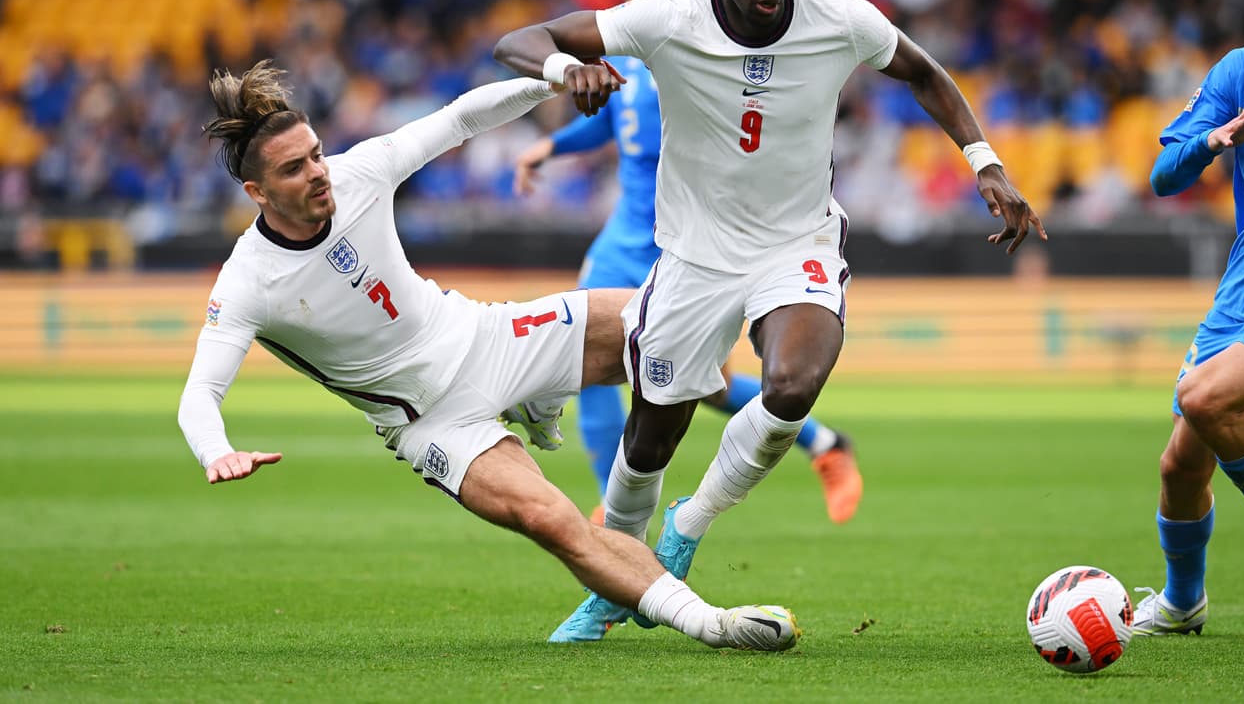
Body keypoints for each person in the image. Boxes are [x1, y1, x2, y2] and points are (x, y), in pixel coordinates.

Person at [494, 0, 1045, 642]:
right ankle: (614, 580)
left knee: (793, 383)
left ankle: (687, 530)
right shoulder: (669, 19)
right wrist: (565, 71)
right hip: (694, 255)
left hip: (797, 243)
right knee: (651, 436)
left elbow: (923, 71)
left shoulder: (838, 18)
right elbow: (521, 40)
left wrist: (984, 161)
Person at [175, 59, 800, 652]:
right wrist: (217, 450)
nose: (318, 173)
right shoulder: (246, 282)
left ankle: (681, 521)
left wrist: (553, 80)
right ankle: (712, 624)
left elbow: (460, 118)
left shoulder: (358, 171)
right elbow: (200, 393)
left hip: (487, 337)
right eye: (294, 169)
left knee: (678, 336)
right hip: (431, 420)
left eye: (316, 154)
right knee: (552, 519)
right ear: (257, 192)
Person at [514, 0, 863, 529]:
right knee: (588, 366)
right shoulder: (626, 48)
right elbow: (613, 121)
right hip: (623, 236)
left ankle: (823, 443)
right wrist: (556, 147)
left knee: (702, 385)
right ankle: (609, 513)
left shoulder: (682, 44)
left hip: (692, 243)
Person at [1134, 0, 1244, 635]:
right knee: (1178, 466)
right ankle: (1183, 602)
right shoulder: (1242, 72)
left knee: (1203, 394)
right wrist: (1217, 139)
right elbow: (1163, 177)